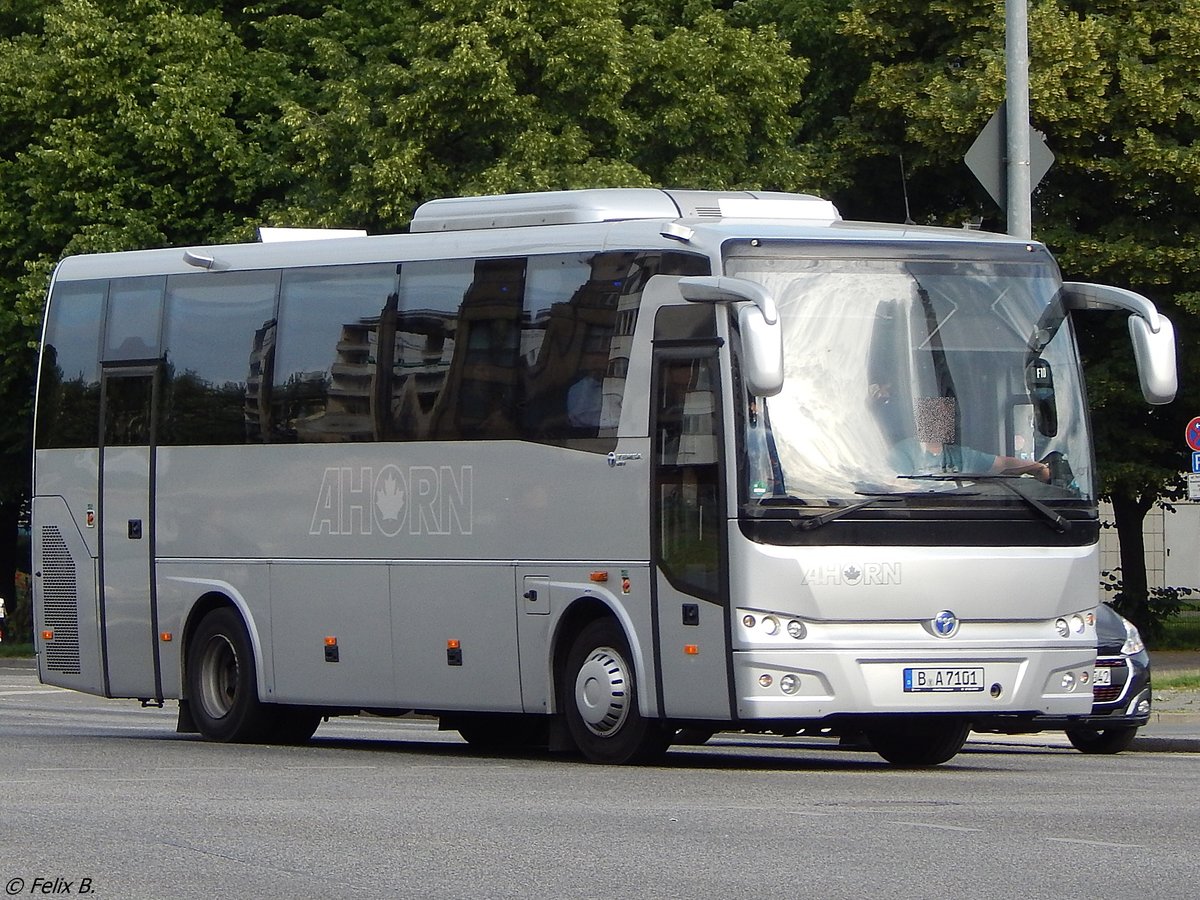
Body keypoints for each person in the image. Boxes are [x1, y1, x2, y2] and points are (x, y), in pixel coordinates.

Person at [889, 396, 1051, 481]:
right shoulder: (904, 451)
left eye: (948, 416)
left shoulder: (958, 455)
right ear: (923, 419)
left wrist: (1035, 467)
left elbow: (1003, 463)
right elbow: (896, 486)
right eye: (938, 415)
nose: (945, 421)